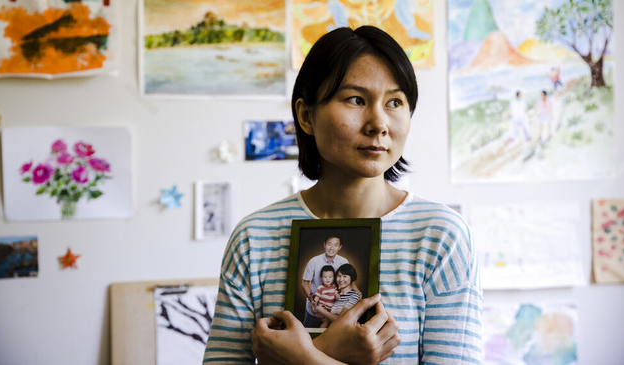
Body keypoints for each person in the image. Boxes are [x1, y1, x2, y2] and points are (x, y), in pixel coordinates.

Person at [203, 25, 481, 365]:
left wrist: (308, 359)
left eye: (395, 101)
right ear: (306, 116)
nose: (378, 123)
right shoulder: (254, 237)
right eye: (356, 100)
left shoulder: (440, 236)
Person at [301, 235, 357, 328]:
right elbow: (305, 283)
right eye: (329, 244)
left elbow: (348, 279)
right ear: (324, 245)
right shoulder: (314, 261)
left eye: (335, 245)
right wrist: (312, 300)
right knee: (307, 334)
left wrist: (357, 292)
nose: (331, 248)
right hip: (314, 307)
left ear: (340, 247)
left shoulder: (343, 261)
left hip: (333, 308)